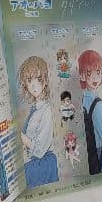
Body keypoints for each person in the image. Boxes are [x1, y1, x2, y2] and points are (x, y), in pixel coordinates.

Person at [18, 55, 59, 188]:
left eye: (39, 79)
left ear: (45, 81)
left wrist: (21, 137)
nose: (34, 85)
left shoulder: (46, 110)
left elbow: (40, 149)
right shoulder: (35, 108)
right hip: (34, 164)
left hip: (43, 165)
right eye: (29, 80)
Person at [78, 48, 102, 174]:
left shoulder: (83, 99)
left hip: (90, 154)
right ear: (82, 75)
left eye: (98, 71)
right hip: (101, 155)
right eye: (89, 73)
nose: (95, 77)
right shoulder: (98, 104)